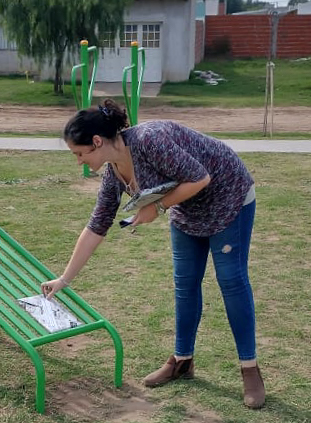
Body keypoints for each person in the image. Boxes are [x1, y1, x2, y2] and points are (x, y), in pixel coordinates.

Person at [40, 99, 265, 409]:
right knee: (185, 284)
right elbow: (96, 226)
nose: (78, 161)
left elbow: (201, 178)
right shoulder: (113, 174)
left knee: (231, 280)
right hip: (187, 207)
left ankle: (250, 370)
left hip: (227, 195)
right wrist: (64, 279)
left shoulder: (149, 141)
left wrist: (157, 207)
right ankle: (182, 361)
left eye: (79, 154)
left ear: (96, 142)